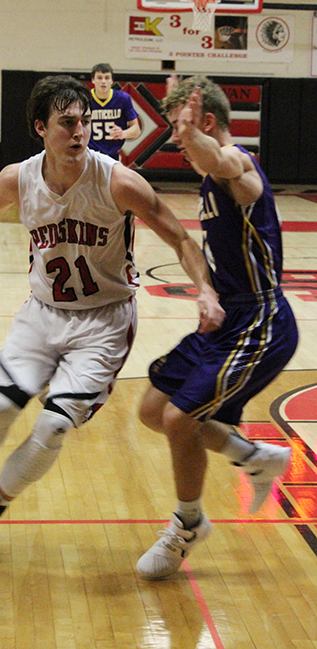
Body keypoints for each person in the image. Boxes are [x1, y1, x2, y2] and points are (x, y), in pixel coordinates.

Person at [0, 74, 225, 572]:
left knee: (53, 424)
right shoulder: (20, 177)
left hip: (103, 323)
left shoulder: (118, 180)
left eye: (83, 122)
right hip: (42, 312)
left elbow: (181, 239)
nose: (79, 132)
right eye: (67, 123)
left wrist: (205, 291)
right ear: (42, 128)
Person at [136, 75, 299, 580]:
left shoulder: (239, 165)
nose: (178, 144)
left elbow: (221, 161)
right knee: (152, 409)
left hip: (262, 320)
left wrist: (195, 137)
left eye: (181, 132)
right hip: (227, 316)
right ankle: (254, 457)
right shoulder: (210, 180)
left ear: (206, 122)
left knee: (181, 421)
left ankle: (187, 526)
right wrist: (205, 291)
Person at [88, 63, 141, 160]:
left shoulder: (123, 98)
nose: (103, 82)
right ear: (93, 80)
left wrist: (122, 133)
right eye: (99, 78)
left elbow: (136, 130)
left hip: (112, 154)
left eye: (107, 78)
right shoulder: (85, 98)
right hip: (89, 153)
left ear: (112, 81)